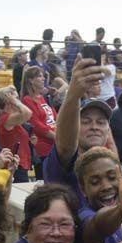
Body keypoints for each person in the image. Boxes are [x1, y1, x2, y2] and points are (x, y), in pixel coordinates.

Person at [42, 55, 112, 208]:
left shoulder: (110, 166)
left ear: (108, 130)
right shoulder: (63, 162)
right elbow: (66, 146)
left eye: (101, 122)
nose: (94, 126)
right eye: (86, 121)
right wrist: (73, 95)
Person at [21, 66, 57, 179]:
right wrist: (58, 137)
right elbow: (37, 126)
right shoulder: (27, 100)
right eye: (39, 76)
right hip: (43, 148)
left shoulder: (43, 98)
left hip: (54, 144)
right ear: (31, 80)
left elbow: (55, 118)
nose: (43, 78)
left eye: (43, 76)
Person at [0, 85, 34, 182]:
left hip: (19, 165)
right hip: (14, 166)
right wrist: (15, 101)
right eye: (17, 99)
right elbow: (28, 113)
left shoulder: (10, 119)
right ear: (9, 102)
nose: (19, 102)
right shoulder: (6, 118)